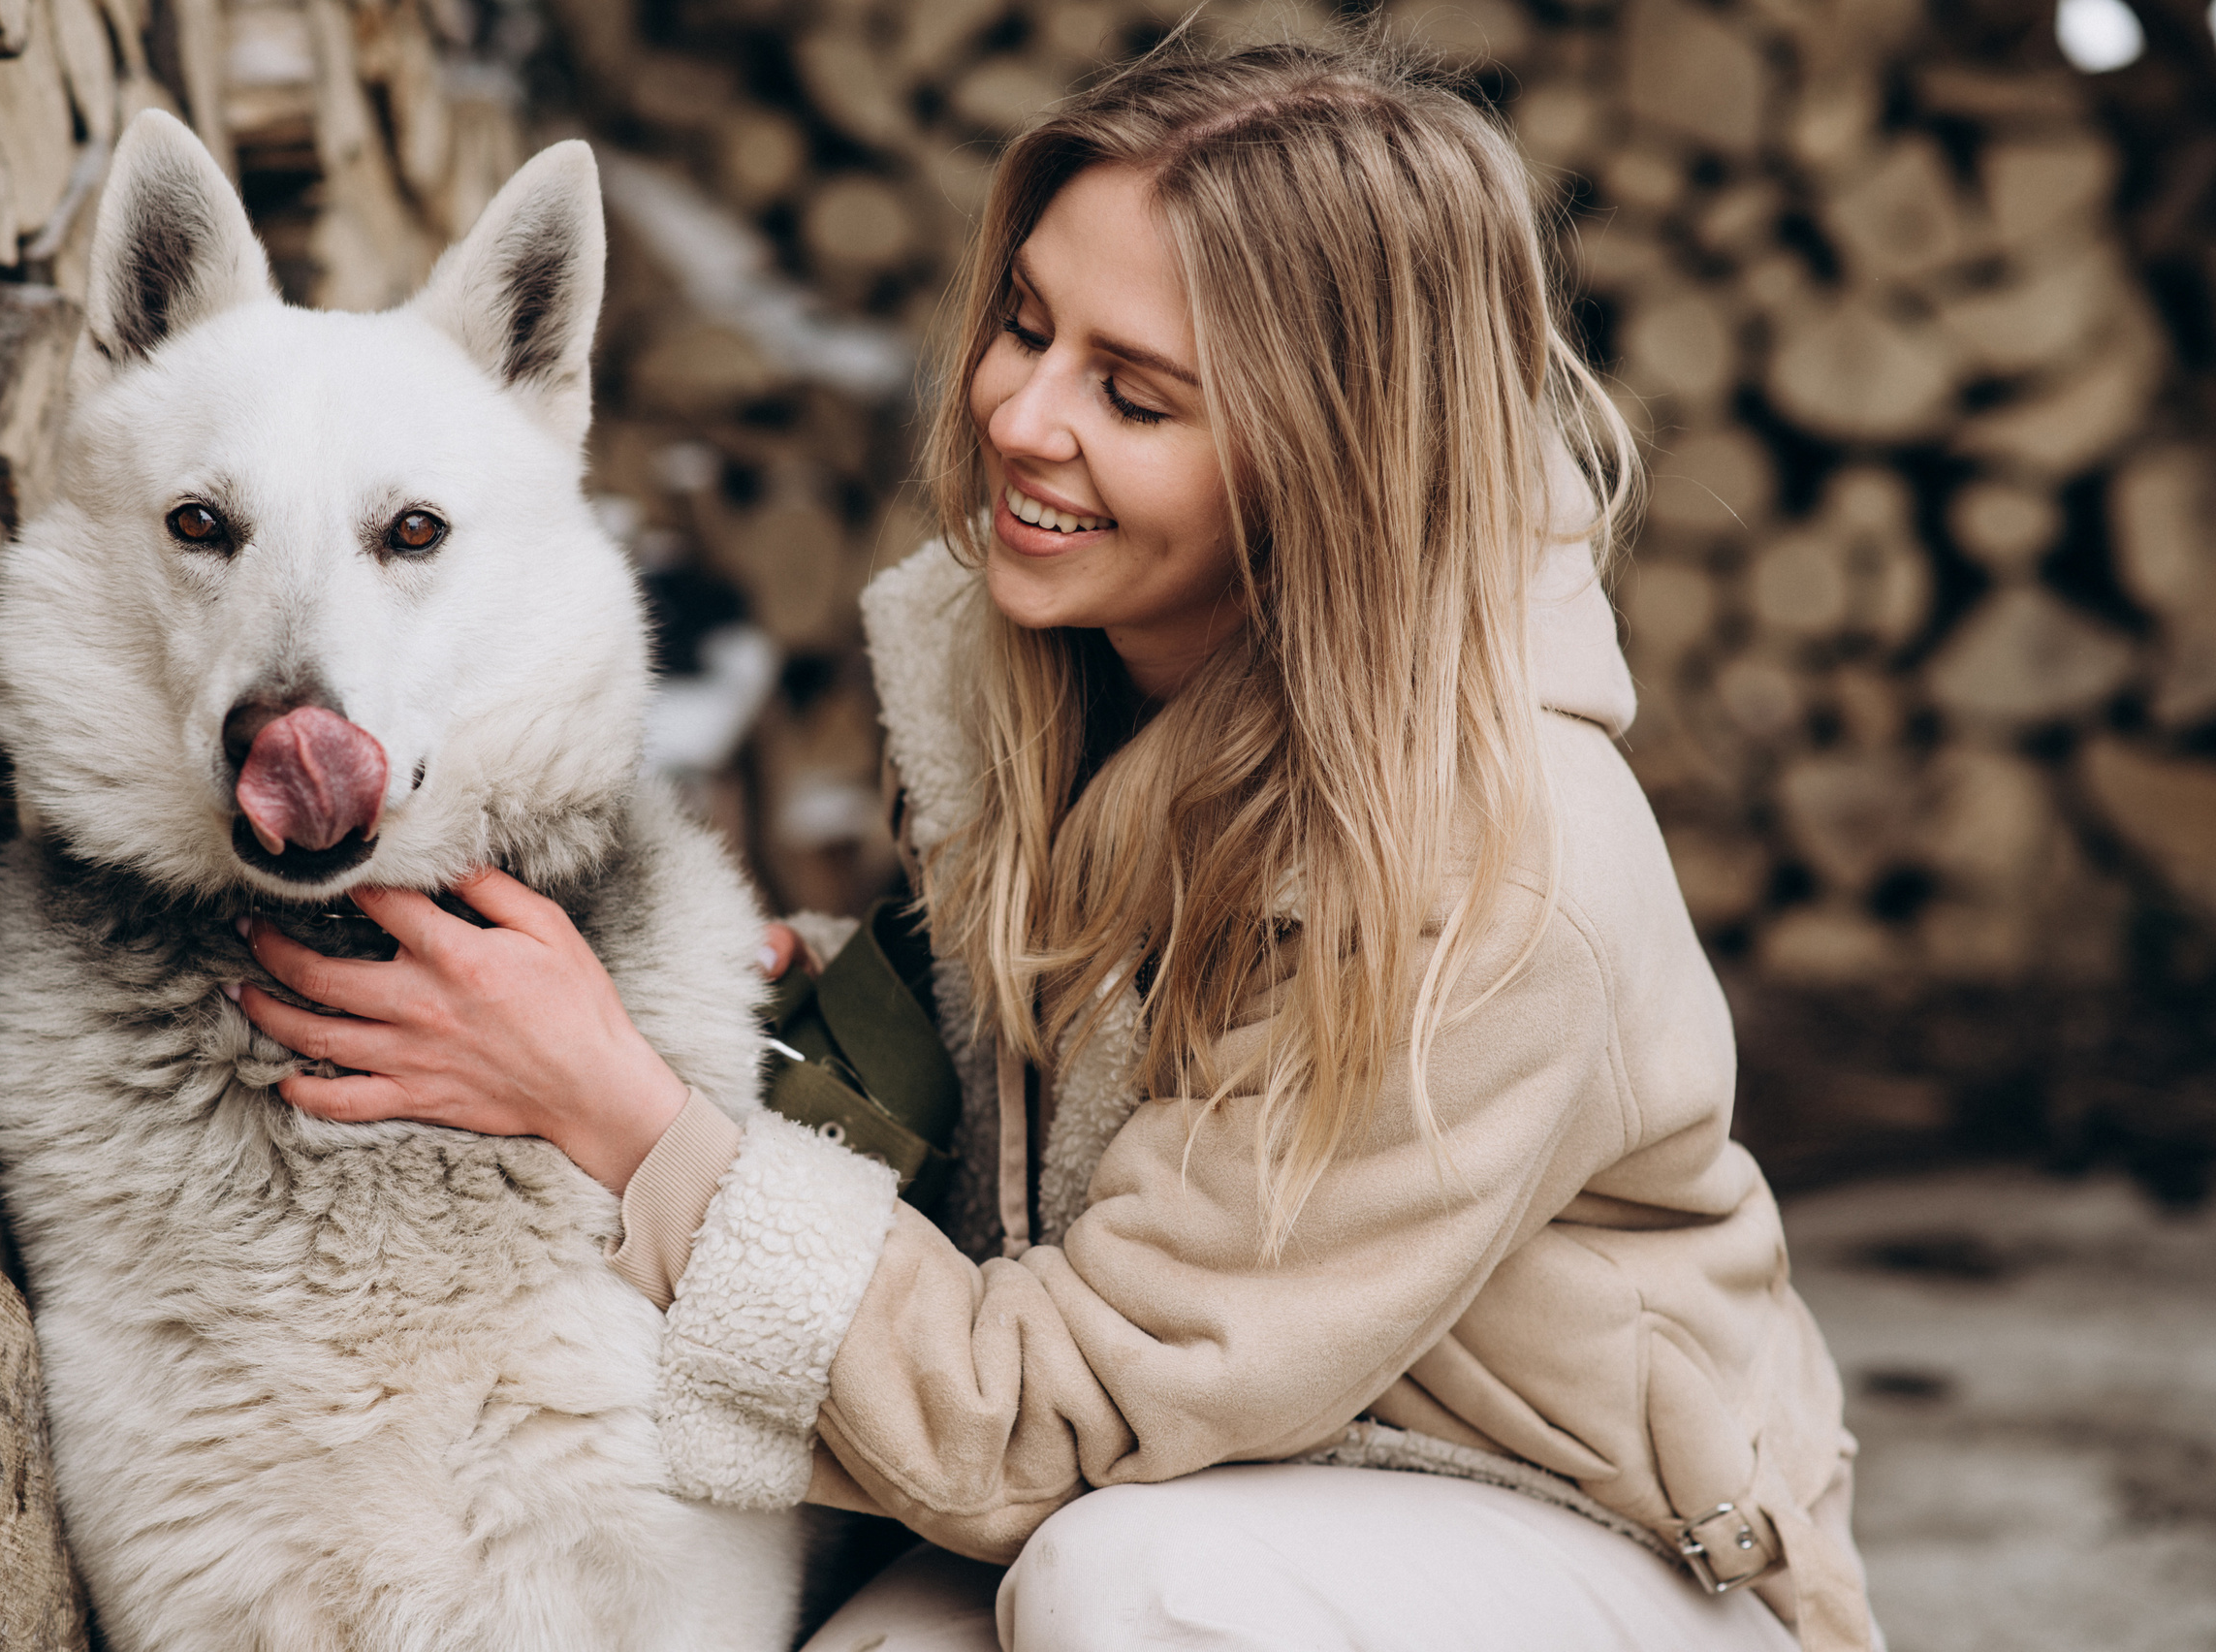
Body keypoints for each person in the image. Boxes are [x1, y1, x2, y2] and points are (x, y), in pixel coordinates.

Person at [234, 27, 1883, 1652]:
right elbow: (1057, 1099)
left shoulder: (1491, 876)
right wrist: (734, 996)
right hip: (1237, 1467)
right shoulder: (1055, 672)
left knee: (1131, 1606)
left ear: (1331, 463)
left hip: (1578, 1538)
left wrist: (626, 1110)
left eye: (1135, 395)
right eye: (1025, 325)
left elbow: (1050, 1419)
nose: (1022, 417)